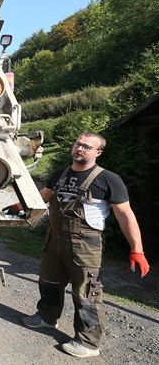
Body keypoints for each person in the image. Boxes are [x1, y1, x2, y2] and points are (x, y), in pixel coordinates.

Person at [21, 131, 150, 358]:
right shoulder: (60, 174)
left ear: (97, 153)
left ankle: (88, 343)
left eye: (86, 147)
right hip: (55, 239)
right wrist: (18, 205)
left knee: (86, 293)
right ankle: (47, 318)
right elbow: (41, 197)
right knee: (49, 282)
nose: (80, 149)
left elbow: (125, 215)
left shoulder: (108, 179)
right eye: (78, 144)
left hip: (86, 245)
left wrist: (136, 249)